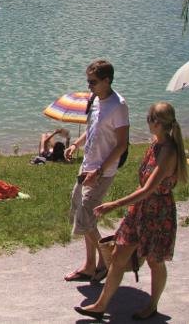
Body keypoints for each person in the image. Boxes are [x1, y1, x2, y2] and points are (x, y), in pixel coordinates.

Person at [74, 102, 188, 321]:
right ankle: (100, 306)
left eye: (148, 118)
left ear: (156, 122)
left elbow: (148, 189)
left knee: (155, 261)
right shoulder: (155, 144)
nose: (146, 122)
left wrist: (113, 205)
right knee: (117, 256)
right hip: (140, 209)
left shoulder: (169, 151)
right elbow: (143, 186)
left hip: (158, 212)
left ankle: (152, 305)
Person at [64, 59, 130, 284]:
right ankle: (90, 266)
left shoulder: (118, 106)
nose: (89, 86)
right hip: (87, 167)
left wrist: (99, 171)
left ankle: (107, 262)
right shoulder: (95, 100)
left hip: (103, 171)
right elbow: (93, 130)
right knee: (78, 211)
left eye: (93, 82)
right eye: (87, 81)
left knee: (85, 218)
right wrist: (76, 144)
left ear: (107, 80)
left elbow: (122, 144)